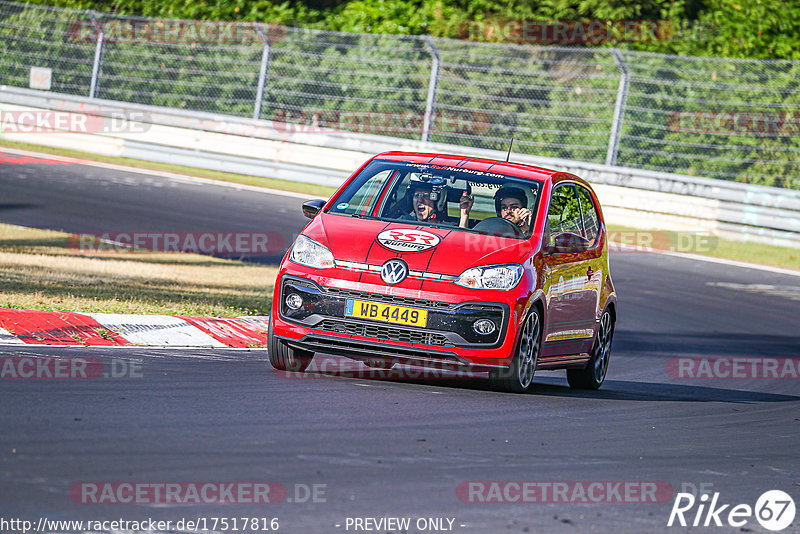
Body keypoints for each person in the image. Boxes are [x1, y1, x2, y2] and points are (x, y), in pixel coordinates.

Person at [402, 181, 473, 228]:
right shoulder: (402, 224)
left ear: (437, 201)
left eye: (426, 196)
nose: (420, 200)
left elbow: (459, 242)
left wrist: (464, 215)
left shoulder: (446, 228)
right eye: (417, 195)